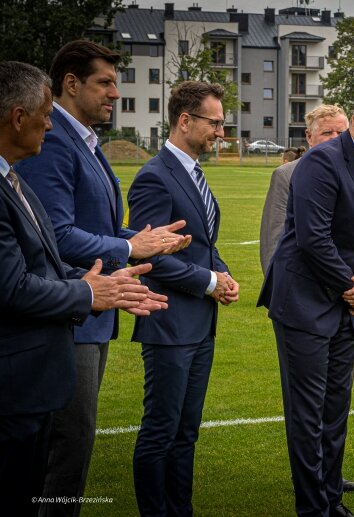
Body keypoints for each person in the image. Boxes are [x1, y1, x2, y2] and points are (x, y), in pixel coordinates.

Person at [13, 40, 189, 517]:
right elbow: (57, 235)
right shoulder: (51, 142)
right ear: (71, 84)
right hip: (67, 312)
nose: (115, 93)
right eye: (105, 83)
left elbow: (101, 228)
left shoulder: (84, 141)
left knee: (73, 446)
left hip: (90, 312)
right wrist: (131, 248)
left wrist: (144, 239)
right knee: (65, 450)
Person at [258, 89, 354, 516]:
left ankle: (332, 500)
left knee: (336, 411)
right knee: (307, 413)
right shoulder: (320, 162)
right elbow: (312, 238)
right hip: (304, 304)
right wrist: (353, 286)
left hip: (344, 306)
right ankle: (313, 508)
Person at [128, 81, 240, 516]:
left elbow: (199, 245)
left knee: (186, 431)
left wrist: (222, 271)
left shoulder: (193, 170)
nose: (220, 131)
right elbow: (151, 256)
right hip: (169, 322)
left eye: (222, 123)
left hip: (199, 322)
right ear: (185, 120)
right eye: (214, 122)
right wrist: (209, 281)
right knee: (161, 429)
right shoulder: (156, 176)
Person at [259, 105, 348, 275]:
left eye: (341, 133)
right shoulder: (286, 175)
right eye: (327, 133)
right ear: (309, 136)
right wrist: (276, 288)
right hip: (304, 284)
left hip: (351, 284)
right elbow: (274, 238)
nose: (335, 139)